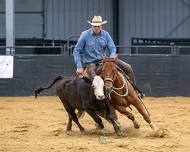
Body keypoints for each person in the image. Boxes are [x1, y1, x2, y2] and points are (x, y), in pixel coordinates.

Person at [73, 16, 144, 97]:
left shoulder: (105, 34)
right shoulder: (85, 35)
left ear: (101, 26)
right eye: (94, 26)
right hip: (91, 63)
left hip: (105, 61)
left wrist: (112, 58)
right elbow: (76, 51)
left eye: (98, 26)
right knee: (95, 78)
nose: (96, 28)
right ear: (92, 26)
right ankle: (100, 96)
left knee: (127, 67)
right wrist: (79, 66)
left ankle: (135, 91)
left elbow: (112, 48)